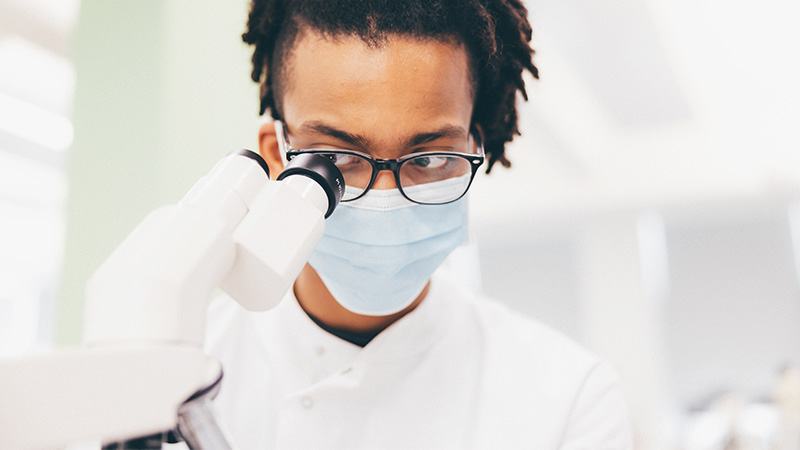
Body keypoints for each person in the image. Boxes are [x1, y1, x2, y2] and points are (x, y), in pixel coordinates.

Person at [204, 0, 633, 448]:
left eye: (428, 159)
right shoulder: (175, 367)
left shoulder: (568, 399)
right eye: (337, 159)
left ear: (474, 149)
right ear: (277, 156)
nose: (384, 199)